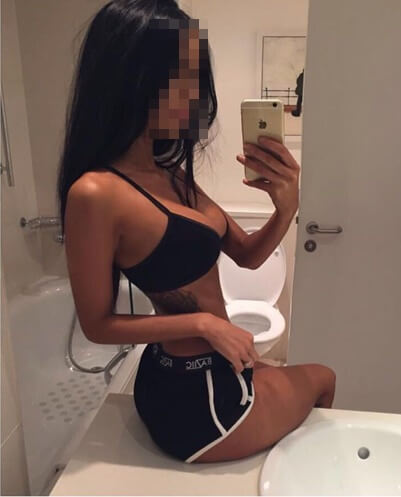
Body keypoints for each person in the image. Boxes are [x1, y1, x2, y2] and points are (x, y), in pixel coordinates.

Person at [59, 0, 335, 464]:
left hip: (206, 374)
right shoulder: (95, 193)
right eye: (180, 77)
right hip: (197, 401)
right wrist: (204, 324)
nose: (194, 94)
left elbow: (248, 255)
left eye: (196, 77)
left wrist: (287, 206)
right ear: (131, 76)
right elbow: (97, 325)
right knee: (324, 378)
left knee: (307, 380)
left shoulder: (171, 172)